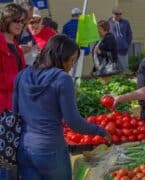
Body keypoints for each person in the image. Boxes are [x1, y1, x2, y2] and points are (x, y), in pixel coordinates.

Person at [14, 35, 110, 180]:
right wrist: (100, 131)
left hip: (24, 147)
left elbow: (16, 112)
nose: (72, 66)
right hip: (51, 149)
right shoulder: (62, 79)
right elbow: (74, 122)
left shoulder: (21, 75)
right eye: (72, 60)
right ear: (61, 57)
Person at [0, 3, 27, 180]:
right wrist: (18, 81)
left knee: (13, 158)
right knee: (4, 161)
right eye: (16, 20)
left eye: (22, 21)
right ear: (6, 20)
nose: (20, 24)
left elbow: (22, 72)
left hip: (16, 107)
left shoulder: (16, 45)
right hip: (3, 108)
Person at [62, 7, 92, 74]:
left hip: (70, 50)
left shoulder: (66, 25)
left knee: (71, 69)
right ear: (79, 15)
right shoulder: (84, 25)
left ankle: (72, 82)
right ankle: (76, 83)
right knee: (78, 69)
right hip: (82, 49)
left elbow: (63, 39)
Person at [108, 6, 132, 73]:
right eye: (116, 13)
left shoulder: (126, 22)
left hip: (123, 49)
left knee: (125, 69)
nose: (118, 15)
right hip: (112, 50)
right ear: (112, 13)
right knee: (113, 69)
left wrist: (127, 44)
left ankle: (126, 82)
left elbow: (129, 34)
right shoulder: (108, 22)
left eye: (120, 13)